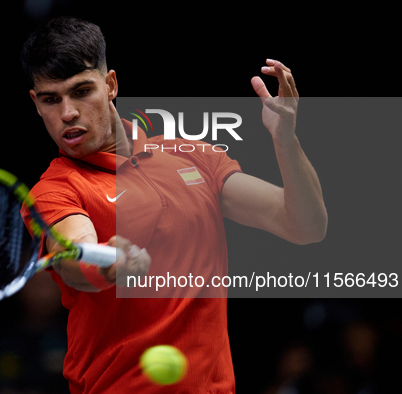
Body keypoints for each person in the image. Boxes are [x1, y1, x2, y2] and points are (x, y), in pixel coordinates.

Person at [20, 16, 327, 393]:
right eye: (52, 99)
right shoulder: (56, 188)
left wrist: (286, 141)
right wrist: (108, 259)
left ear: (111, 84)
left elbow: (305, 226)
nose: (67, 113)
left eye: (81, 91)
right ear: (36, 104)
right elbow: (72, 256)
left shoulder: (192, 156)